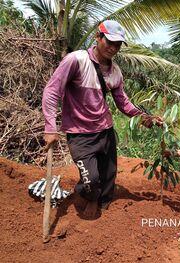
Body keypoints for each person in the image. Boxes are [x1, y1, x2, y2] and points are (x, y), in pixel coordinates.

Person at [42, 20, 162, 217]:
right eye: (109, 42)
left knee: (108, 175)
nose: (113, 48)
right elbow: (52, 91)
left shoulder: (115, 72)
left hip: (105, 130)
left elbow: (123, 102)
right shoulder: (76, 61)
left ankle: (102, 201)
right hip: (80, 134)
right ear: (98, 37)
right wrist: (49, 127)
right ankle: (88, 195)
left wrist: (143, 117)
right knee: (91, 180)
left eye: (118, 45)